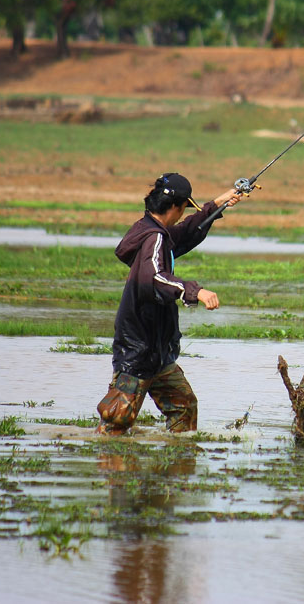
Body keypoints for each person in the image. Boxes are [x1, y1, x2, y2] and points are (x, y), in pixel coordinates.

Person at [96, 173, 243, 435]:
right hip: (138, 352)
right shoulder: (153, 238)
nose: (182, 213)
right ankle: (112, 467)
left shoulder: (151, 230)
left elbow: (184, 233)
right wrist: (193, 291)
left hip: (158, 352)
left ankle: (174, 468)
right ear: (175, 207)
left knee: (184, 407)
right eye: (184, 207)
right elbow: (153, 277)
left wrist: (217, 204)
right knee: (116, 421)